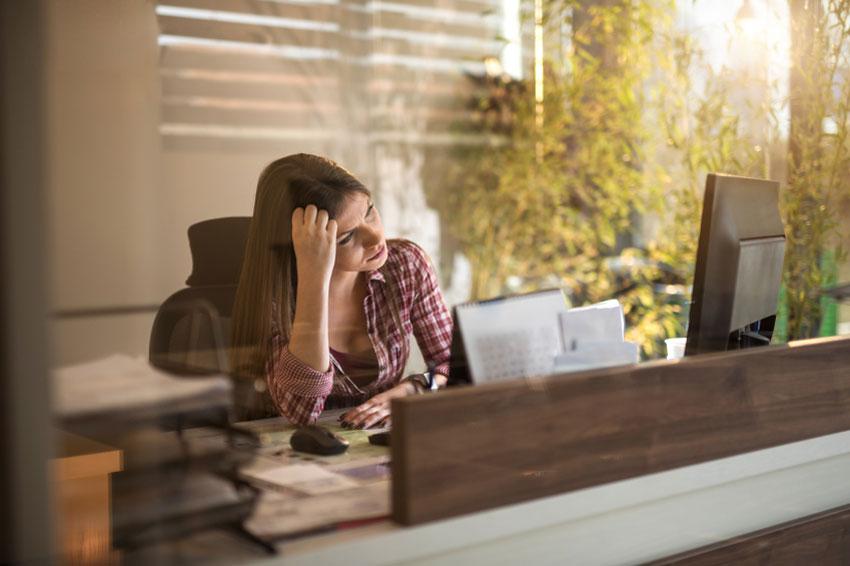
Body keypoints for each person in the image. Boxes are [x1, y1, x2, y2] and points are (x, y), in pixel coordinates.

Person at [231, 154, 452, 428]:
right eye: (347, 237)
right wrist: (314, 277)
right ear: (302, 244)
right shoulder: (276, 300)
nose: (375, 237)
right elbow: (302, 413)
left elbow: (451, 365)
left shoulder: (406, 264)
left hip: (378, 446)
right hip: (293, 455)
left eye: (370, 210)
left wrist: (414, 388)